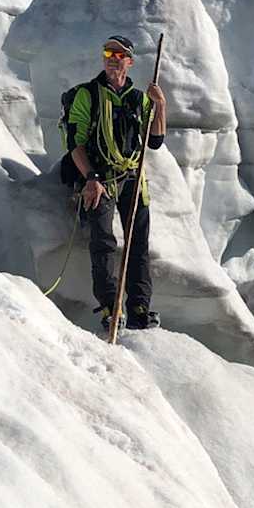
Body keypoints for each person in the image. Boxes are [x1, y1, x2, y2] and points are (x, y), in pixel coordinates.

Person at [65, 34, 167, 330]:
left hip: (133, 179)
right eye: (109, 52)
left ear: (129, 62)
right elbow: (76, 142)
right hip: (100, 178)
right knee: (103, 243)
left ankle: (138, 309)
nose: (113, 57)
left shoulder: (139, 99)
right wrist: (90, 178)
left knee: (138, 245)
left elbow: (156, 140)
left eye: (119, 54)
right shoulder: (88, 95)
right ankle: (111, 308)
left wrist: (160, 105)